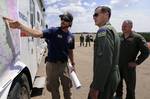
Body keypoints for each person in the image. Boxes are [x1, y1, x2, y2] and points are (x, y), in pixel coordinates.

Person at [3, 12, 75, 99]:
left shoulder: (71, 37)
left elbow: (70, 51)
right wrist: (20, 26)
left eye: (66, 19)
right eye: (62, 19)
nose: (63, 21)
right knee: (54, 90)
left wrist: (73, 64)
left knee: (67, 89)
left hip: (64, 65)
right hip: (52, 65)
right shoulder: (53, 31)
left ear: (70, 23)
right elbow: (37, 33)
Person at [88, 6, 120, 99]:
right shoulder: (112, 30)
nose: (93, 17)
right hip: (111, 75)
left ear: (106, 14)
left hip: (106, 79)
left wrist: (96, 87)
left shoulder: (104, 31)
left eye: (96, 14)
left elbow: (105, 61)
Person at [115, 20, 149, 99]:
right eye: (122, 26)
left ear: (131, 27)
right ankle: (118, 96)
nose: (123, 28)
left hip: (129, 67)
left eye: (125, 26)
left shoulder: (137, 37)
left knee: (130, 88)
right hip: (118, 66)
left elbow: (146, 51)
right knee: (118, 85)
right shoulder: (120, 37)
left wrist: (137, 62)